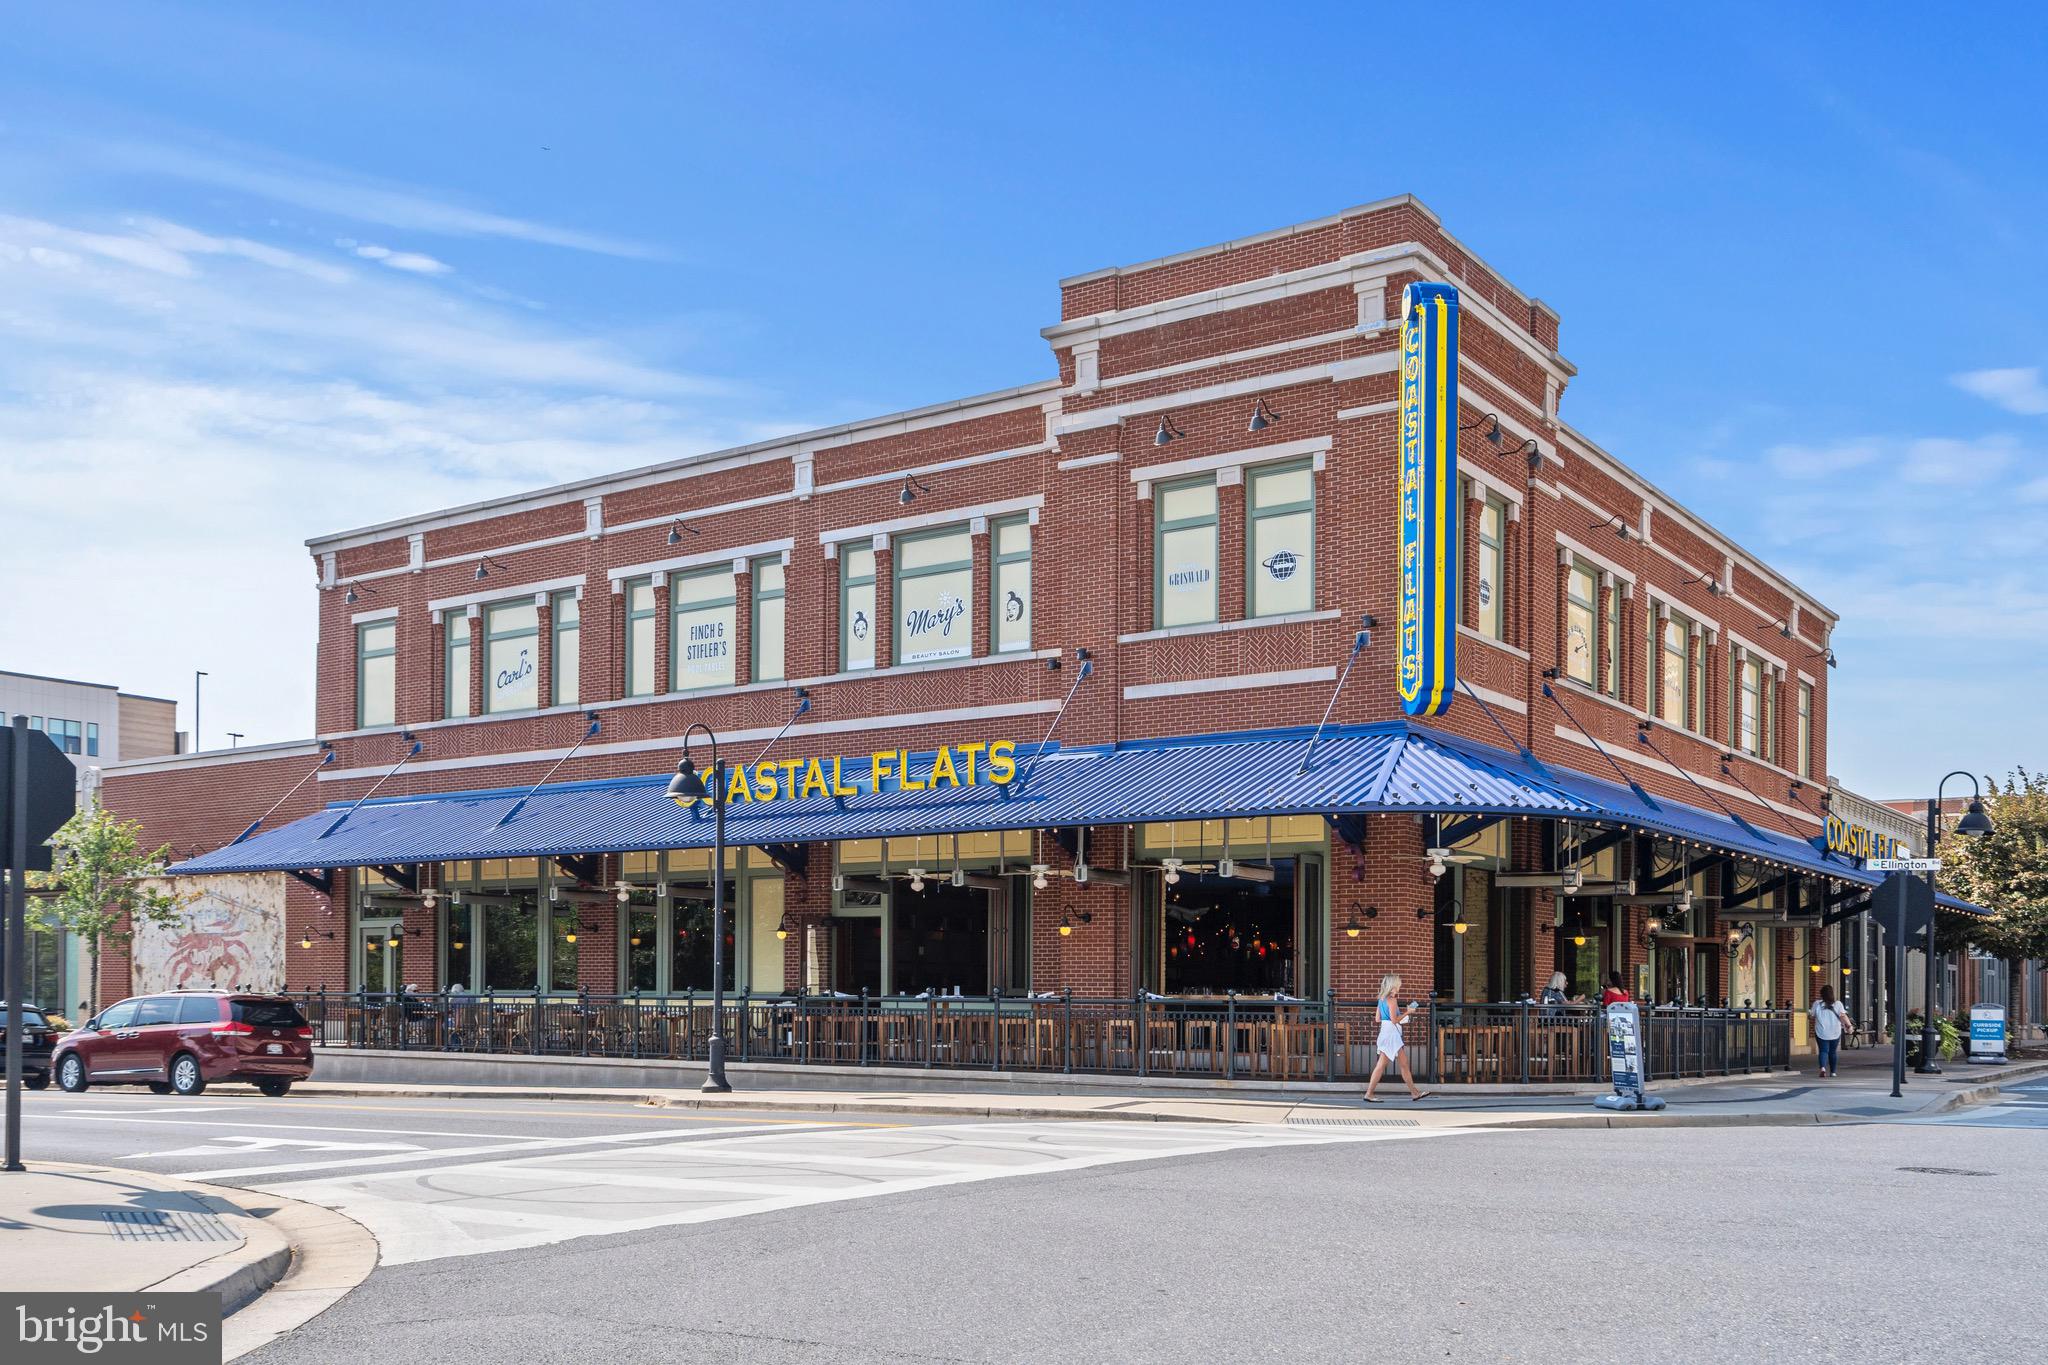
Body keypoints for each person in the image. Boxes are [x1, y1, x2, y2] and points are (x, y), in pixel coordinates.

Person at [1363, 974, 1431, 1103]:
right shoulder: (1392, 1000)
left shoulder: (1381, 999)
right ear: (1393, 985)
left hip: (1385, 1032)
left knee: (1403, 1064)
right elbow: (1394, 1020)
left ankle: (1414, 1093)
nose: (1400, 986)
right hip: (1392, 1035)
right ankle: (1369, 1093)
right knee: (1382, 1065)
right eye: (1398, 984)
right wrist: (1408, 1012)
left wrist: (1398, 1016)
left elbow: (1377, 1019)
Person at [1811, 983, 1851, 1078]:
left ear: (1822, 994)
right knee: (1832, 1052)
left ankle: (1823, 1068)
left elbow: (1811, 1016)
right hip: (1835, 1031)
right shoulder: (1838, 1004)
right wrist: (1849, 1026)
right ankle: (1833, 1072)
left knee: (1823, 1051)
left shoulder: (1817, 1004)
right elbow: (1843, 1016)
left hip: (1821, 1031)